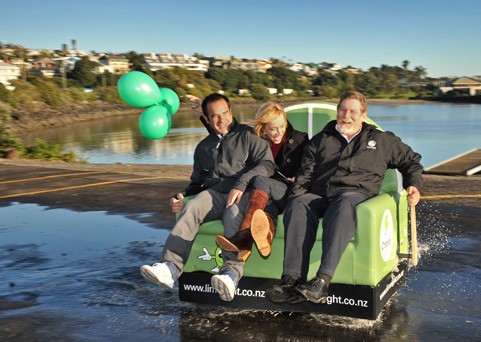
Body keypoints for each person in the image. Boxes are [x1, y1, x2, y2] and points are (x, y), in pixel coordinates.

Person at [266, 91, 424, 304]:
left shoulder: (381, 140)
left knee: (343, 205)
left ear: (363, 114)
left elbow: (411, 161)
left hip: (355, 194)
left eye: (352, 111)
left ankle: (321, 282)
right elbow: (305, 177)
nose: (346, 115)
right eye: (342, 110)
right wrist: (293, 199)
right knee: (299, 202)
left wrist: (413, 184)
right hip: (321, 194)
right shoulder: (321, 140)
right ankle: (291, 281)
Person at [140, 93, 275, 302]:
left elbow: (267, 165)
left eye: (224, 114)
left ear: (231, 112)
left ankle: (231, 274)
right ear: (207, 118)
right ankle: (170, 268)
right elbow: (196, 183)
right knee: (192, 207)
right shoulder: (203, 147)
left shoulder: (248, 135)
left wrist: (241, 183)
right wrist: (181, 196)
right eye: (214, 116)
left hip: (244, 193)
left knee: (233, 214)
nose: (221, 120)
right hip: (214, 194)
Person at [215, 102, 308, 263]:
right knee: (264, 213)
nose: (279, 132)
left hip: (291, 191)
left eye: (282, 126)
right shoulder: (256, 141)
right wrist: (204, 116)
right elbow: (227, 133)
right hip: (267, 195)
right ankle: (262, 238)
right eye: (273, 129)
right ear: (263, 128)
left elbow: (311, 166)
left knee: (260, 180)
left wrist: (299, 176)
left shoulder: (300, 139)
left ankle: (243, 237)